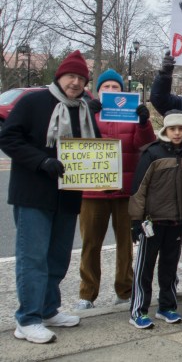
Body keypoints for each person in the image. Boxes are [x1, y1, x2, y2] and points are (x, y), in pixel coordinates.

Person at [0, 50, 99, 343]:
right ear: (59, 76)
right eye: (71, 76)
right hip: (33, 193)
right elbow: (7, 138)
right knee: (33, 259)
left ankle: (48, 308)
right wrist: (41, 161)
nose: (75, 82)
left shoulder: (83, 109)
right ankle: (27, 319)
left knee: (57, 257)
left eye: (81, 78)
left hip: (67, 196)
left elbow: (95, 150)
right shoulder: (34, 102)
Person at [76, 69, 156, 311]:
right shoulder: (87, 112)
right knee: (91, 244)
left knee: (125, 244)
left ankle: (124, 290)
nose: (111, 91)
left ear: (122, 91)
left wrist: (143, 123)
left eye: (115, 87)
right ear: (98, 90)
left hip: (125, 191)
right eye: (106, 86)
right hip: (93, 191)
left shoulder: (129, 114)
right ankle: (87, 293)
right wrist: (87, 118)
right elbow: (74, 143)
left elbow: (145, 145)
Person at [127, 110, 182, 329]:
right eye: (173, 129)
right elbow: (139, 188)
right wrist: (136, 221)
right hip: (152, 221)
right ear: (165, 130)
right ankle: (138, 310)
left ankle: (167, 306)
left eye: (181, 129)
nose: (177, 133)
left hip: (178, 221)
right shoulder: (152, 153)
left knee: (170, 267)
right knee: (145, 267)